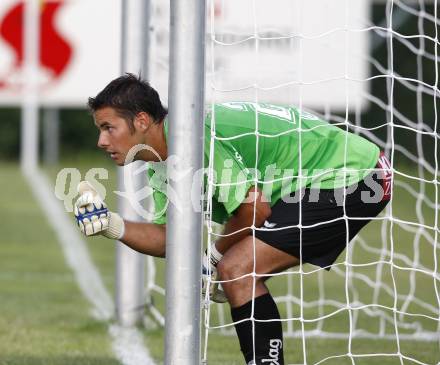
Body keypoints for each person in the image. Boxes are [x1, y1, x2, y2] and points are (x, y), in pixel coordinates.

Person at [74, 73, 392, 365]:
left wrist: (213, 258)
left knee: (236, 269)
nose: (102, 141)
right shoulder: (164, 159)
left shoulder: (195, 138)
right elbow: (171, 237)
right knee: (236, 270)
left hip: (353, 175)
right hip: (337, 177)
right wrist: (111, 225)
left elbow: (254, 210)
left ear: (141, 120)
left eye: (108, 127)